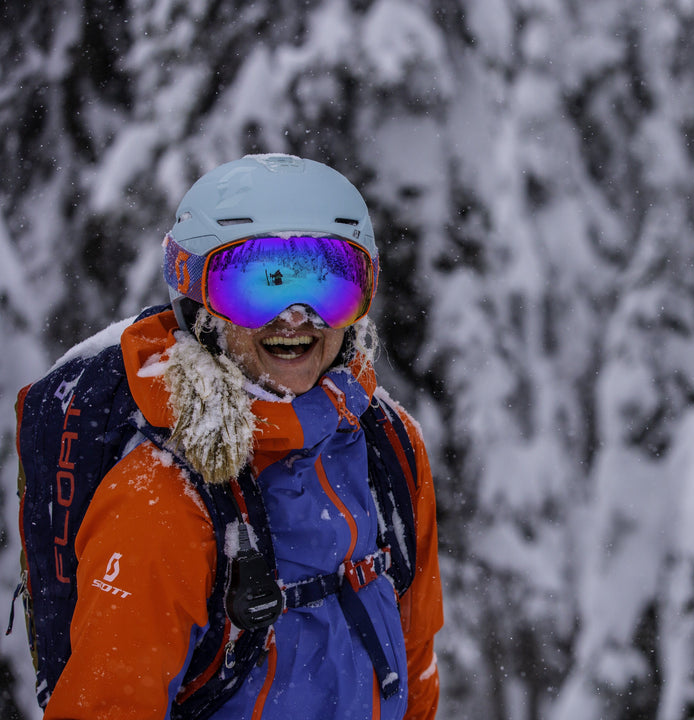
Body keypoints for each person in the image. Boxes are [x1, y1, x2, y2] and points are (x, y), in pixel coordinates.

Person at [40, 154, 442, 718]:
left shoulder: (388, 443)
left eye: (327, 286)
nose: (296, 318)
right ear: (197, 301)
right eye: (260, 286)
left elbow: (415, 659)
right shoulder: (163, 498)